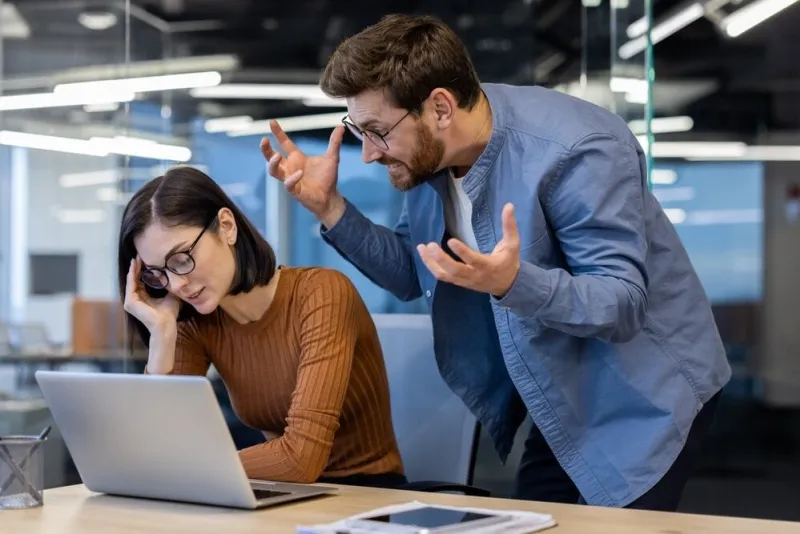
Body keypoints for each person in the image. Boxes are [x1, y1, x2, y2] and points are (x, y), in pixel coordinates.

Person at [261, 13, 731, 510]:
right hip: (559, 388)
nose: (369, 156)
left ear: (440, 106)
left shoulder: (576, 150)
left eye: (377, 131)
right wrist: (329, 207)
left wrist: (513, 283)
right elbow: (410, 271)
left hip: (643, 392)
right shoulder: (429, 161)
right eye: (358, 131)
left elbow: (621, 303)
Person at [117, 166, 405, 488]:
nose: (177, 284)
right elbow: (157, 449)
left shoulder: (321, 294)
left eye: (182, 259)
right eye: (159, 273)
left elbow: (300, 459)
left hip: (365, 494)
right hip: (276, 491)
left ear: (226, 227)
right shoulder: (195, 320)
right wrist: (161, 339)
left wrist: (189, 467)